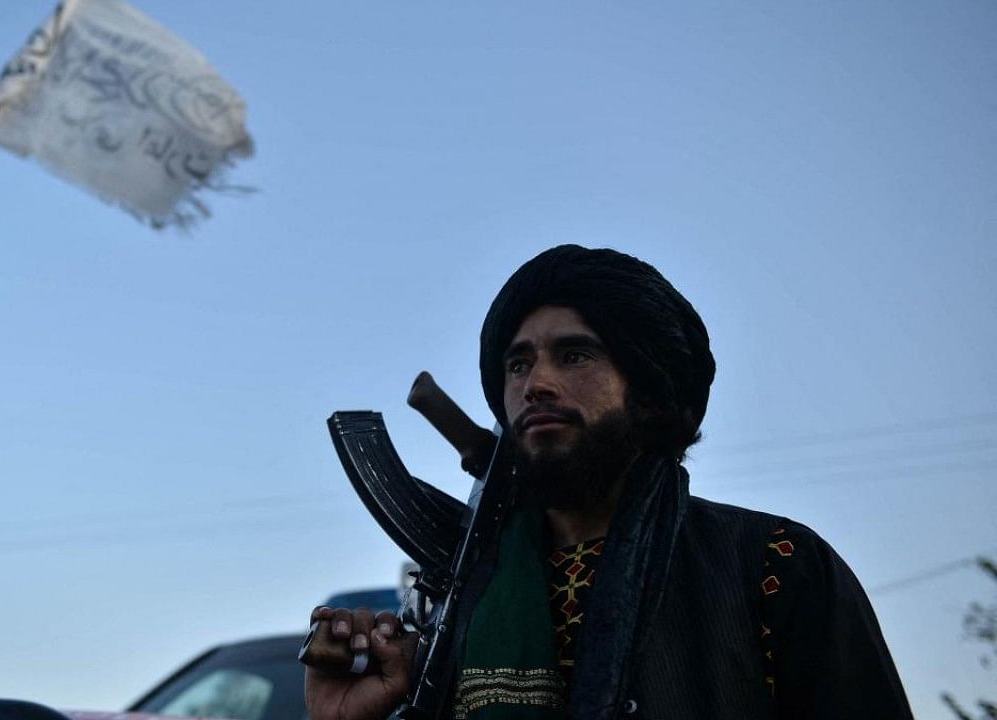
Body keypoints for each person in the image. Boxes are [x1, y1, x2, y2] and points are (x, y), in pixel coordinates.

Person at [305, 245, 913, 720]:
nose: (535, 383)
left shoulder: (773, 565)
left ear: (648, 393)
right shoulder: (467, 599)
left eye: (574, 356)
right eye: (518, 364)